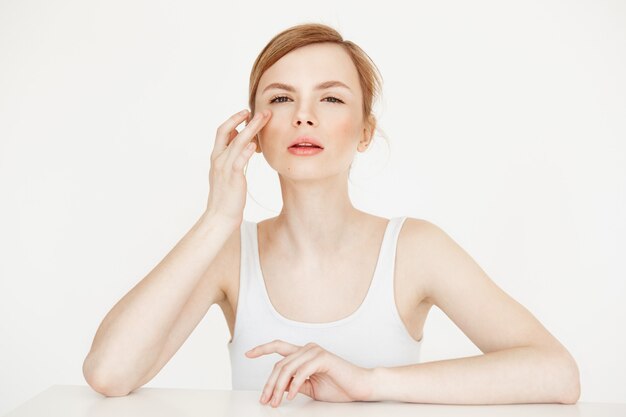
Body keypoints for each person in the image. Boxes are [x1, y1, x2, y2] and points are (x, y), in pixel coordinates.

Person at [82, 23, 580, 407]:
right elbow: (108, 373)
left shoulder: (416, 250)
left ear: (364, 131)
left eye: (331, 98)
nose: (304, 115)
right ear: (253, 131)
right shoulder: (229, 253)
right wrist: (216, 219)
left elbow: (558, 374)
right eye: (281, 98)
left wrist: (367, 383)